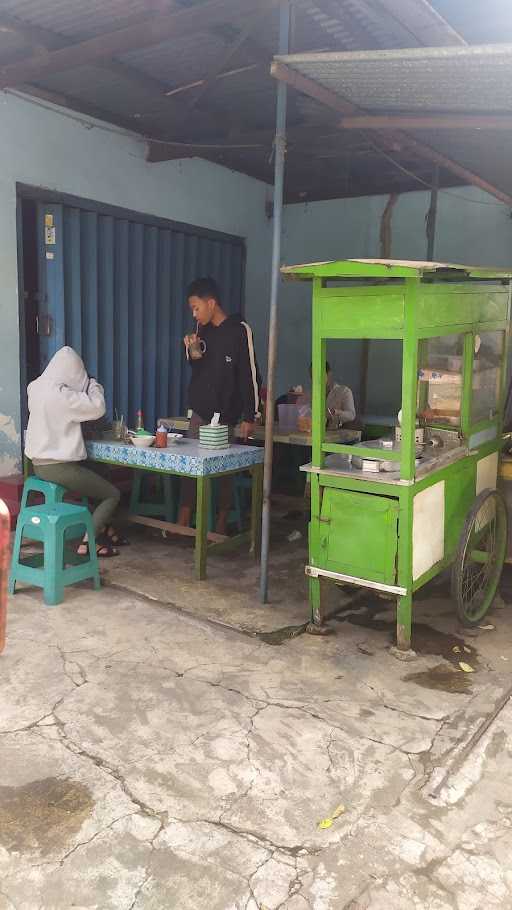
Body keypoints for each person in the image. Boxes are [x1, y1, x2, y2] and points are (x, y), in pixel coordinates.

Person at [178, 277, 261, 534]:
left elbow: (251, 375)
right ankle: (183, 523)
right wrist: (191, 351)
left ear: (211, 303)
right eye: (192, 309)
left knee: (223, 472)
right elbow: (199, 367)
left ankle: (221, 524)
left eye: (196, 308)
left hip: (225, 415)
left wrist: (251, 415)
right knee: (191, 467)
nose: (194, 314)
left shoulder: (239, 330)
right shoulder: (202, 333)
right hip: (200, 411)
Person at [24, 346, 122, 557]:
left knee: (96, 470)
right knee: (111, 494)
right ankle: (88, 543)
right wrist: (93, 385)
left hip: (39, 465)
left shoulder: (35, 388)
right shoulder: (63, 396)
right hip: (60, 468)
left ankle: (106, 528)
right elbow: (98, 408)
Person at [297, 362, 356, 430]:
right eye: (313, 376)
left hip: (336, 435)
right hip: (314, 435)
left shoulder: (344, 391)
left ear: (329, 374)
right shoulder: (309, 394)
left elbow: (351, 415)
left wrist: (335, 412)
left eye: (320, 375)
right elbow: (301, 414)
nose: (317, 379)